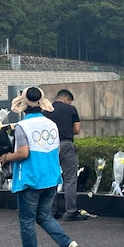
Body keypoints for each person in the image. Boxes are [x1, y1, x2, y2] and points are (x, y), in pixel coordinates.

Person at [0, 86, 79, 247]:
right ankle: (67, 244)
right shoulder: (51, 124)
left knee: (27, 220)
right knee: (43, 216)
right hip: (51, 177)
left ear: (24, 104)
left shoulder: (22, 126)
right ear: (42, 103)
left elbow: (23, 153)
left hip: (31, 178)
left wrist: (5, 157)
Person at [43, 89, 84, 221]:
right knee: (70, 179)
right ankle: (71, 211)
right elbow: (77, 129)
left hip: (50, 147)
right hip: (66, 145)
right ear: (67, 100)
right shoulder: (70, 109)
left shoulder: (45, 111)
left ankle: (51, 211)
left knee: (51, 178)